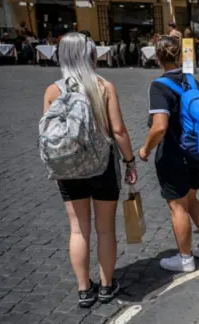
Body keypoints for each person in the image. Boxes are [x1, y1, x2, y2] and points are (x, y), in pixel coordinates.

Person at [43, 33, 137, 307]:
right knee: (105, 230)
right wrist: (129, 162)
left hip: (68, 168)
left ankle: (84, 290)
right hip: (102, 166)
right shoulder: (103, 86)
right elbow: (118, 131)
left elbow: (48, 135)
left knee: (78, 230)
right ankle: (107, 286)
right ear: (90, 56)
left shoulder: (53, 90)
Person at [139, 36, 199, 272]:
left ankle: (185, 259)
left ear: (157, 58)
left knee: (178, 206)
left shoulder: (159, 86)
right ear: (179, 56)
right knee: (192, 199)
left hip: (175, 156)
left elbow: (159, 126)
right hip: (198, 152)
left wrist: (146, 148)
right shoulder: (193, 82)